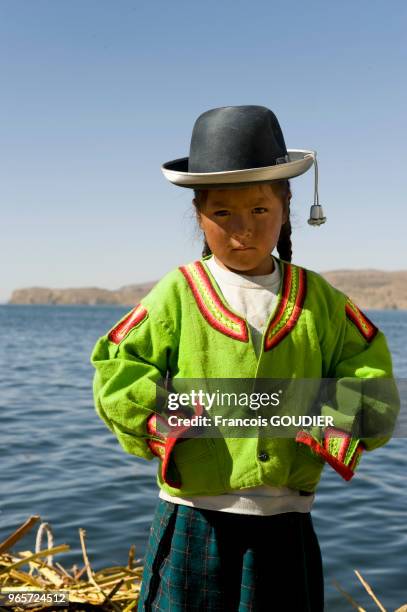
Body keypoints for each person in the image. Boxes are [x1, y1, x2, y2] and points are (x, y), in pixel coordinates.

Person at [90, 106, 399, 611]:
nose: (242, 231)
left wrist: (326, 416)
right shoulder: (178, 294)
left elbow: (372, 378)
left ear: (286, 206)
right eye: (222, 213)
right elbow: (118, 368)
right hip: (194, 517)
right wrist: (166, 416)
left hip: (286, 525)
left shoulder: (320, 301)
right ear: (199, 214)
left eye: (259, 211)